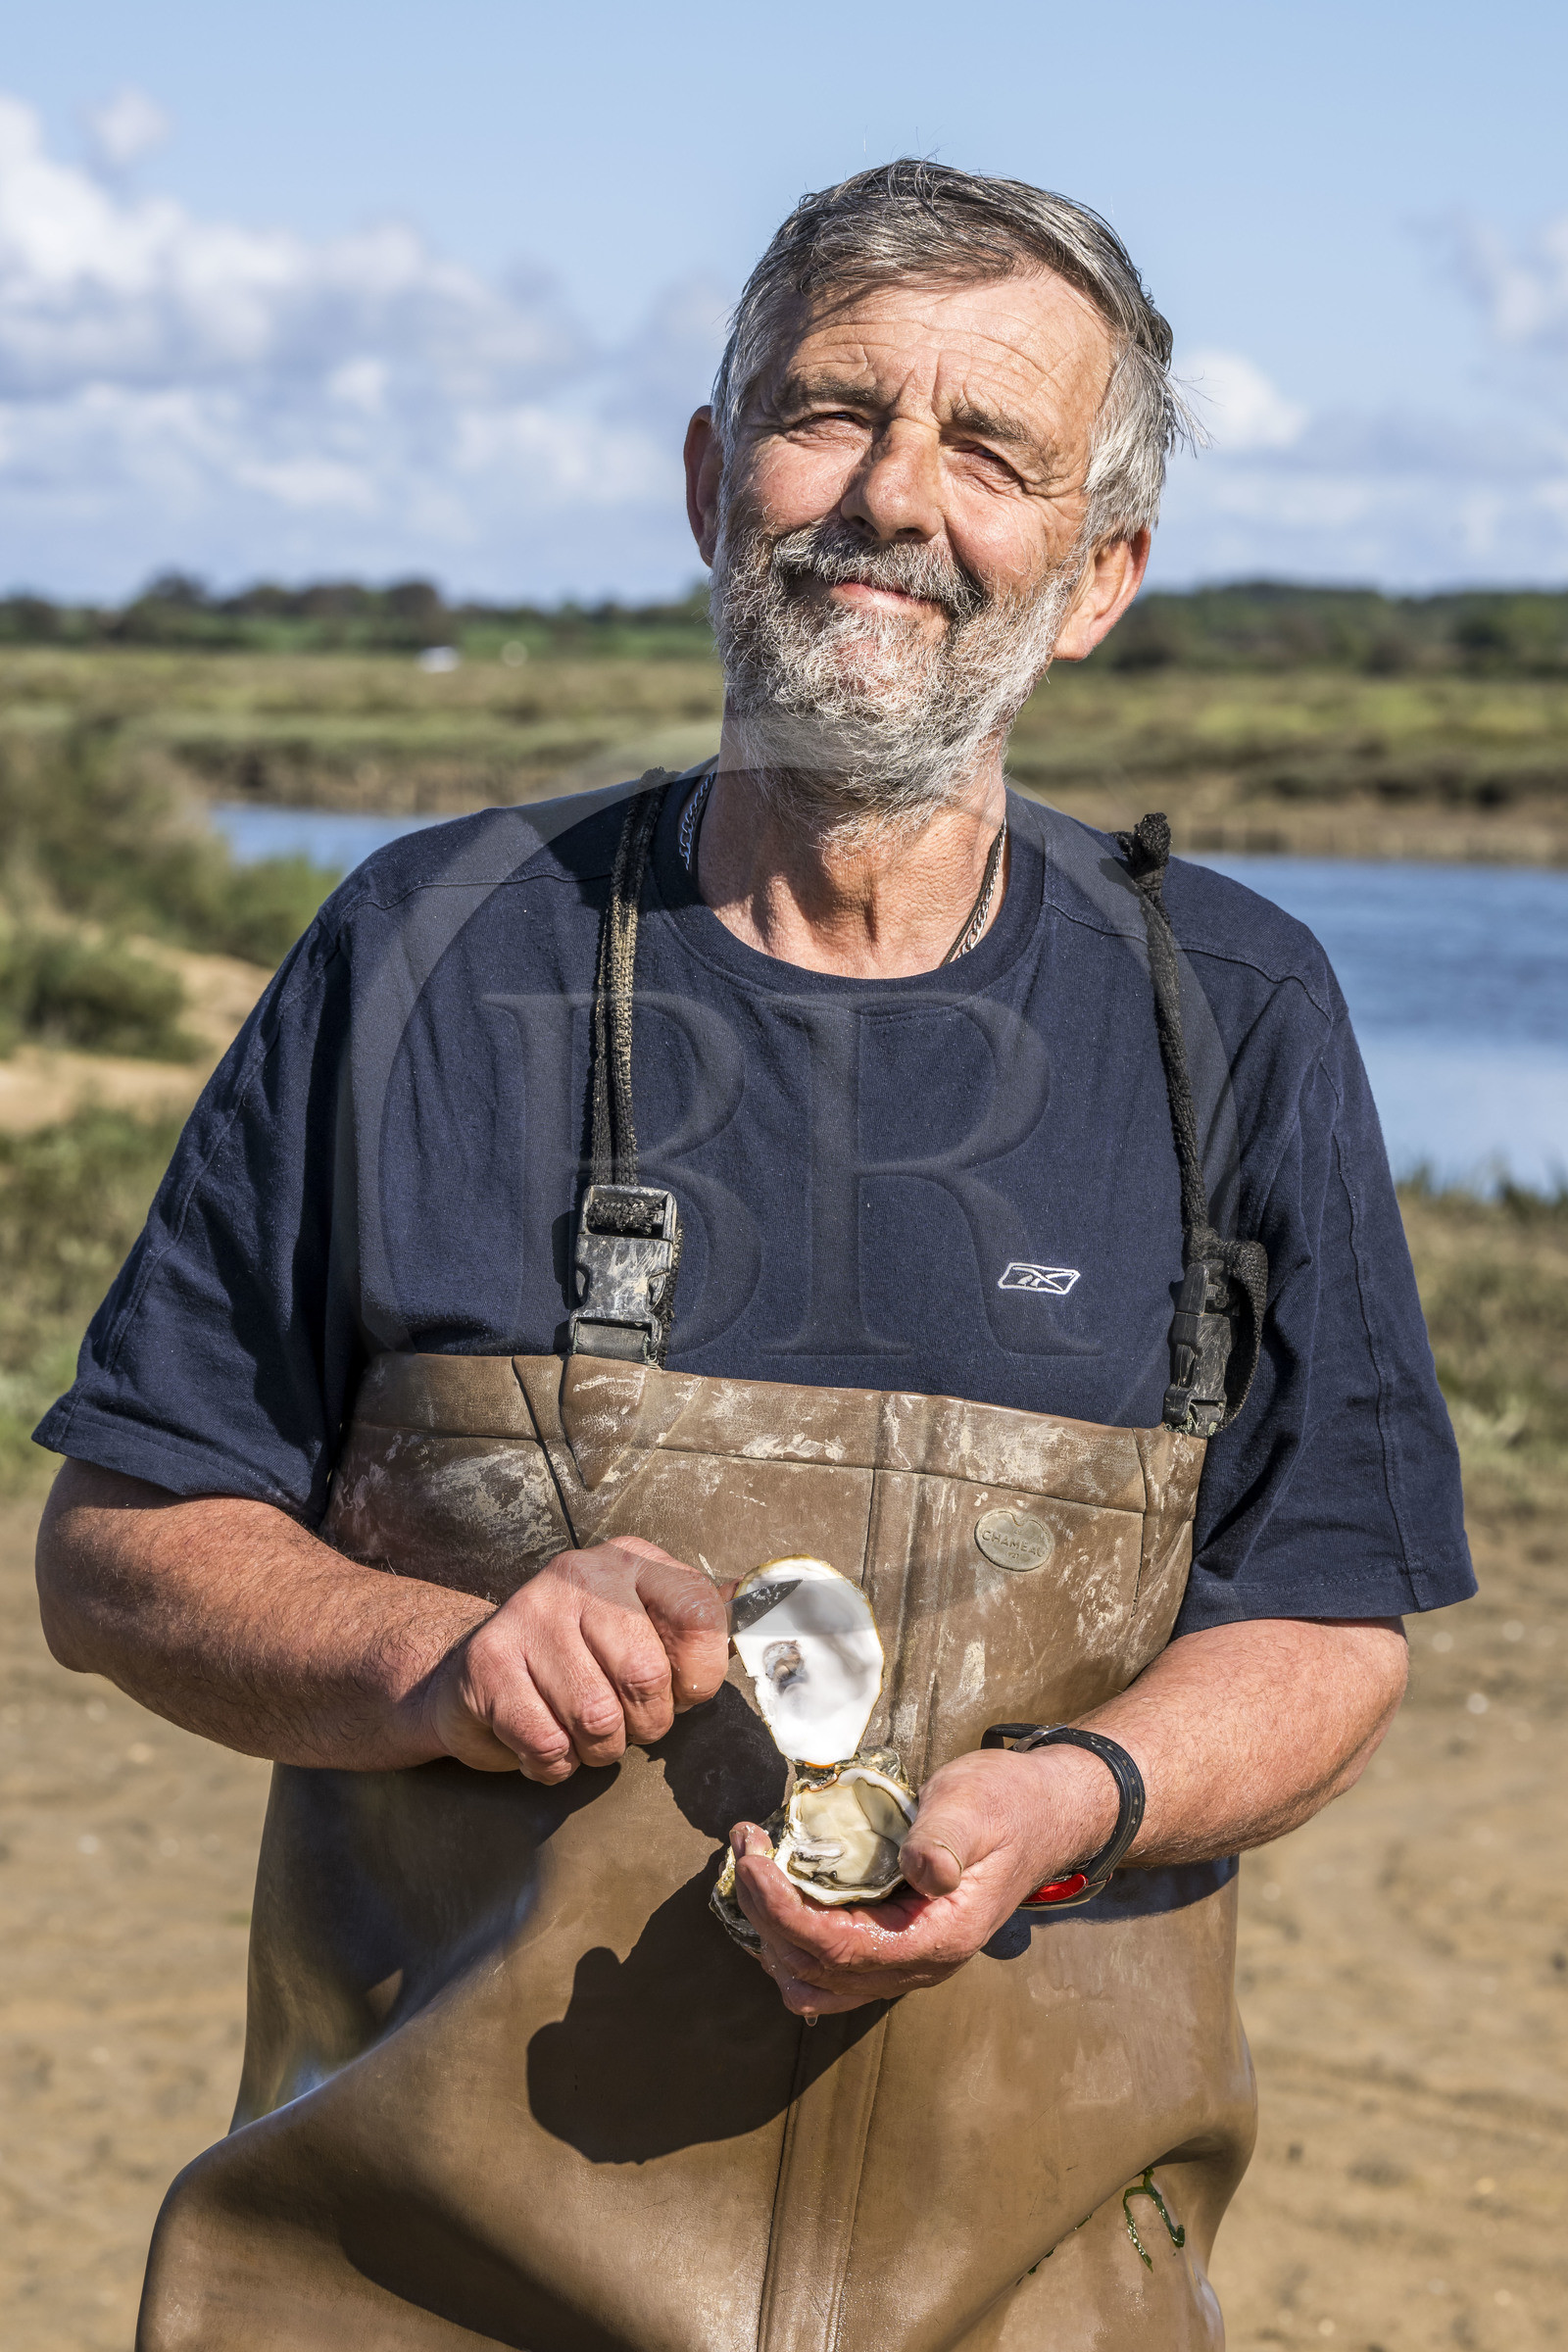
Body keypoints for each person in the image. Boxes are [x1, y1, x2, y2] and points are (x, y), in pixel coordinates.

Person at [34, 161, 1471, 2352]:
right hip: (410, 2298)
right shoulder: (421, 951)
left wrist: (1076, 1803)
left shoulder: (1231, 1017)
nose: (891, 498)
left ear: (1092, 577)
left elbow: (1329, 1621)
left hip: (1035, 2299)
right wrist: (436, 1659)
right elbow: (121, 1543)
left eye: (989, 451)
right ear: (713, 480)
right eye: (828, 414)